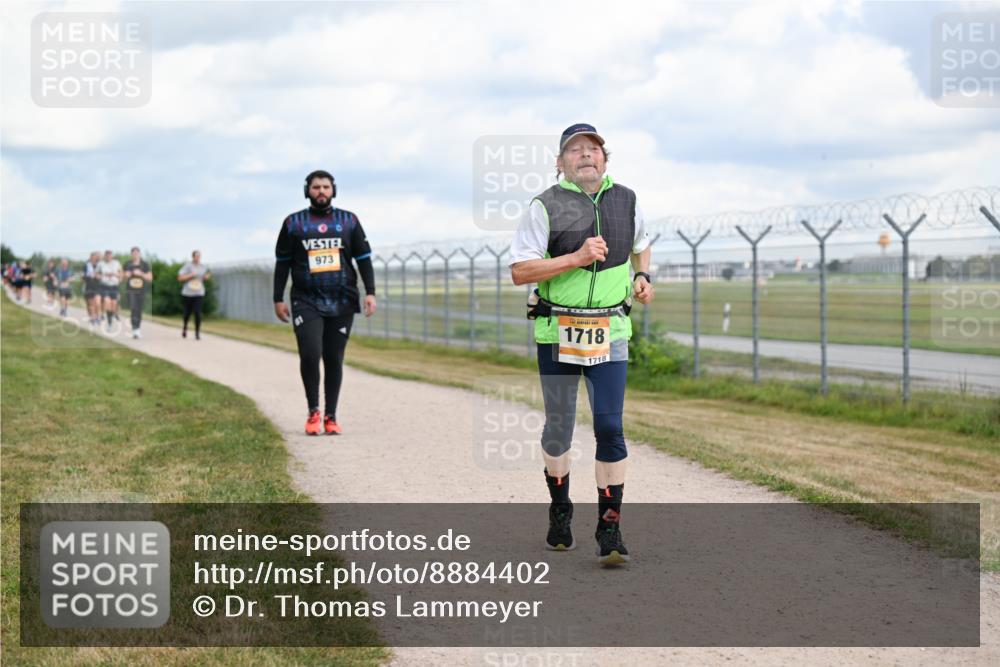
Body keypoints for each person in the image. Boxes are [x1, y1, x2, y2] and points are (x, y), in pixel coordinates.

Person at [509, 123, 653, 566]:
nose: (586, 155)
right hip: (558, 332)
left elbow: (641, 245)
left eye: (594, 149)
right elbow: (520, 271)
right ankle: (560, 508)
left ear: (605, 160)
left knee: (610, 427)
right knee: (559, 429)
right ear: (560, 162)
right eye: (575, 150)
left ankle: (610, 528)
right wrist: (577, 257)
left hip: (610, 331)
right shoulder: (545, 206)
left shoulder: (626, 199)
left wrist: (643, 276)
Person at [273, 169, 377, 436]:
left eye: (326, 187)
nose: (321, 191)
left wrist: (370, 292)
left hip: (342, 299)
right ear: (307, 190)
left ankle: (331, 416)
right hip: (305, 299)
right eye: (316, 187)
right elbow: (282, 264)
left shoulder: (349, 221)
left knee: (333, 358)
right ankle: (313, 411)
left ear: (334, 190)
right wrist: (277, 298)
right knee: (310, 353)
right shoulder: (293, 224)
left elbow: (363, 259)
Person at [178, 250, 211, 339]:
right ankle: (185, 327)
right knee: (187, 313)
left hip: (199, 292)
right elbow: (180, 278)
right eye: (196, 256)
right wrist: (190, 275)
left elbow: (204, 277)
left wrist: (206, 277)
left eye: (199, 256)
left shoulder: (203, 267)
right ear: (193, 257)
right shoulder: (187, 266)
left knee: (197, 312)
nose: (197, 258)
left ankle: (197, 332)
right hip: (188, 293)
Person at [123, 247, 153, 339]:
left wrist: (141, 274)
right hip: (131, 290)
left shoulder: (145, 265)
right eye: (133, 253)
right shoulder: (127, 264)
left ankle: (138, 329)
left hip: (141, 290)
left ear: (139, 254)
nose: (135, 254)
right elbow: (122, 277)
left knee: (138, 310)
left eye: (137, 253)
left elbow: (150, 278)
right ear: (131, 254)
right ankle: (135, 329)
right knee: (133, 308)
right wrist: (126, 275)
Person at [96, 250, 122, 332]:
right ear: (105, 256)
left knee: (114, 304)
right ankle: (109, 323)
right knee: (107, 302)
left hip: (114, 286)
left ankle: (112, 315)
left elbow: (121, 274)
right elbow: (96, 274)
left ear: (112, 256)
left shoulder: (116, 263)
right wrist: (101, 276)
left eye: (110, 255)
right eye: (107, 256)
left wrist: (116, 275)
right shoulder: (101, 264)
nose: (108, 257)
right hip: (105, 286)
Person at [83, 251, 102, 328]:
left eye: (95, 257)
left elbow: (103, 275)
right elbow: (83, 276)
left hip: (98, 286)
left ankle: (97, 317)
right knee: (91, 304)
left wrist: (99, 276)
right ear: (90, 258)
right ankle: (92, 317)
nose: (94, 258)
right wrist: (89, 276)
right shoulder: (86, 265)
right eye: (92, 257)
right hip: (89, 286)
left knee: (97, 303)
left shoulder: (100, 265)